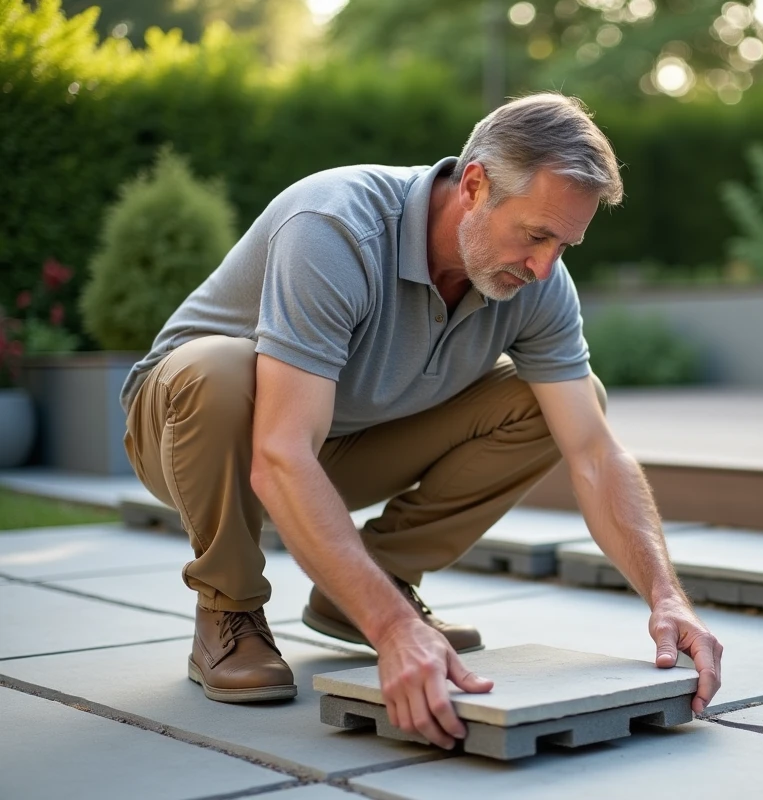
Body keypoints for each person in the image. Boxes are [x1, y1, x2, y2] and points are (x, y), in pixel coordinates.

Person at [120, 92, 723, 750]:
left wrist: (667, 596)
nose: (544, 266)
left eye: (564, 243)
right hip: (195, 436)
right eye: (535, 234)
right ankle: (228, 609)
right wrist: (394, 633)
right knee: (221, 369)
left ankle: (371, 585)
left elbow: (595, 454)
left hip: (340, 442)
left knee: (555, 404)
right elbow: (281, 453)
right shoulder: (336, 226)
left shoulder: (540, 284)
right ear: (474, 185)